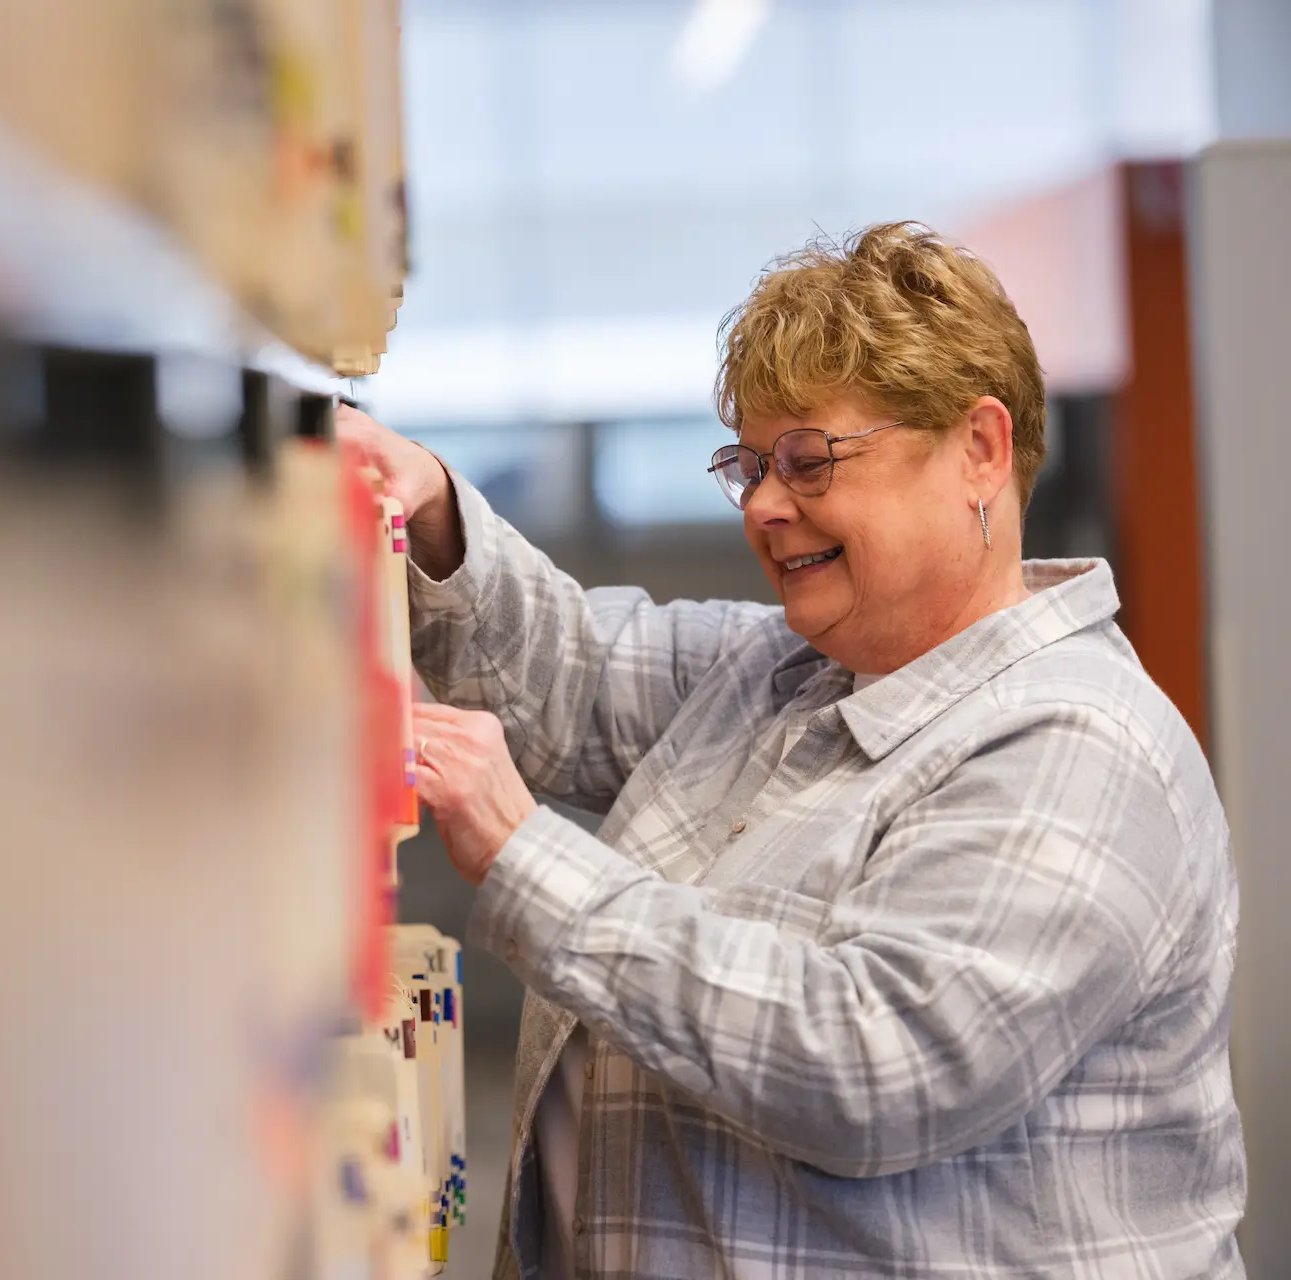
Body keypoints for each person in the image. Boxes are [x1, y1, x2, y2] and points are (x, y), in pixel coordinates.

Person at [339, 221, 1245, 1279]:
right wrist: (434, 507)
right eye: (750, 464)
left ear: (980, 449)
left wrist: (524, 851)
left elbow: (870, 1064)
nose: (766, 504)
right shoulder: (794, 670)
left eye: (809, 460)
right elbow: (574, 674)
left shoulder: (1079, 744)